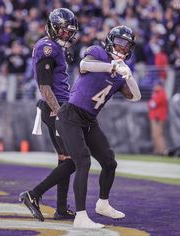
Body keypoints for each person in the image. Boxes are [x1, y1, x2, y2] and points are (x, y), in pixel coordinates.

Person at [56, 25, 141, 228]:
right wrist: (111, 66)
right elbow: (85, 65)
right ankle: (80, 216)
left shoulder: (121, 72)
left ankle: (103, 204)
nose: (123, 47)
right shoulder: (98, 52)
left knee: (109, 162)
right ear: (111, 40)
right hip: (71, 114)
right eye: (120, 42)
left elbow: (135, 97)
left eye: (127, 44)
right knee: (83, 162)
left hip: (89, 120)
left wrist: (129, 75)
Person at [19, 8, 78, 221]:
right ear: (53, 28)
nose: (66, 35)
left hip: (56, 106)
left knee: (65, 159)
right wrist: (60, 112)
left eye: (68, 31)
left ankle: (61, 209)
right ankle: (33, 195)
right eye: (62, 31)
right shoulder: (47, 48)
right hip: (55, 108)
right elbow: (44, 87)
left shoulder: (53, 47)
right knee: (75, 161)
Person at [147, 80, 168, 155]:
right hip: (155, 116)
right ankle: (157, 150)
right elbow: (150, 104)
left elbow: (152, 104)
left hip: (158, 117)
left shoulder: (161, 93)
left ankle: (162, 151)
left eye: (156, 85)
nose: (155, 87)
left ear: (160, 86)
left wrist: (150, 103)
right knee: (154, 135)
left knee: (158, 134)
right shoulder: (156, 93)